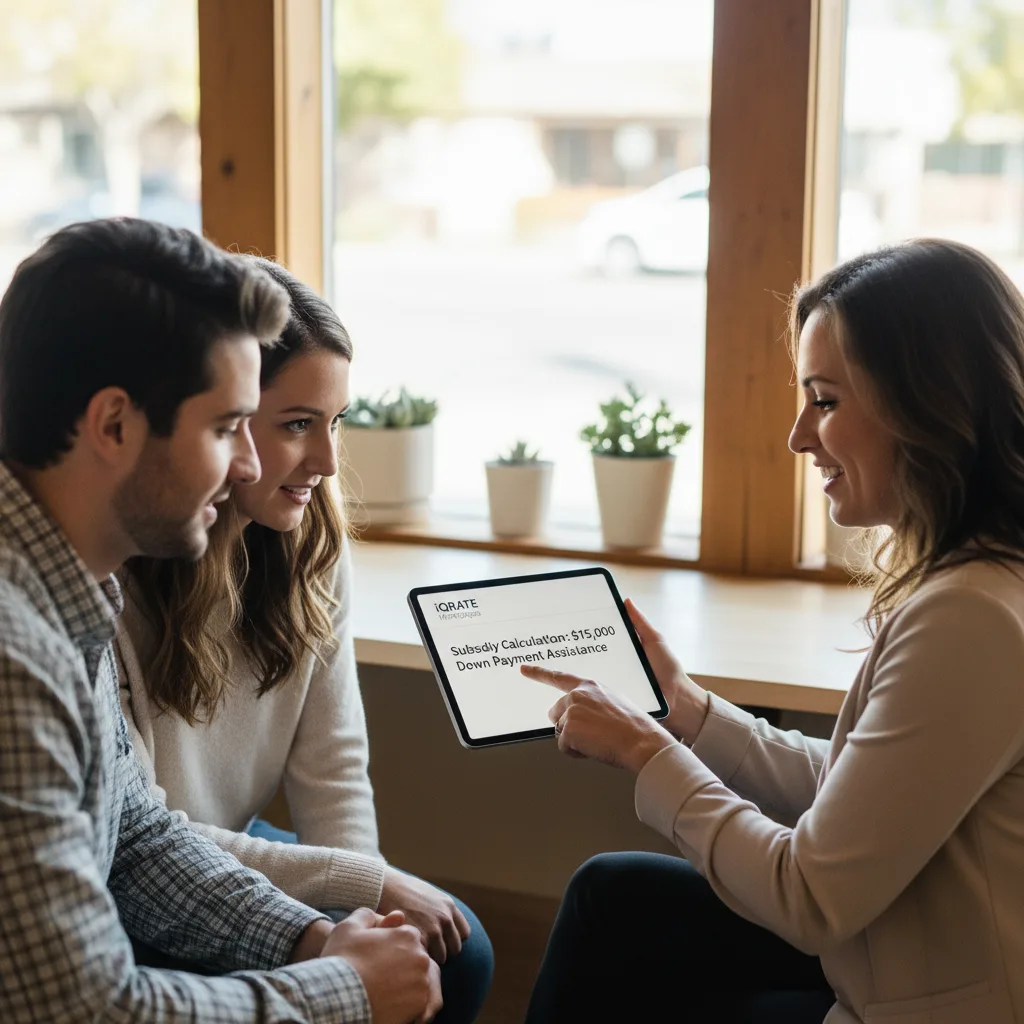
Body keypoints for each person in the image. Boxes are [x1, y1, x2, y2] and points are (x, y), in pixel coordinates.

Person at [521, 239, 1024, 1024]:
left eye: (824, 400)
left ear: (927, 404)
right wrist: (687, 712)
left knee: (622, 935)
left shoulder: (972, 617)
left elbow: (811, 895)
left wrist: (648, 753)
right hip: (896, 960)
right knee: (613, 897)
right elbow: (866, 793)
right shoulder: (984, 578)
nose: (798, 436)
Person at [0, 218, 440, 1024]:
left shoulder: (65, 592)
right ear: (113, 425)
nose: (246, 464)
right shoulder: (13, 658)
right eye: (225, 427)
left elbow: (135, 837)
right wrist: (344, 990)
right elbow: (79, 1007)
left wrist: (316, 939)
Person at [115, 257, 493, 1023]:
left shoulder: (311, 546)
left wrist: (371, 917)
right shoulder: (110, 571)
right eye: (296, 425)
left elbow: (334, 769)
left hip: (242, 846)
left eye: (336, 422)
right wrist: (355, 894)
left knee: (456, 952)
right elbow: (143, 839)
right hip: (147, 880)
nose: (325, 462)